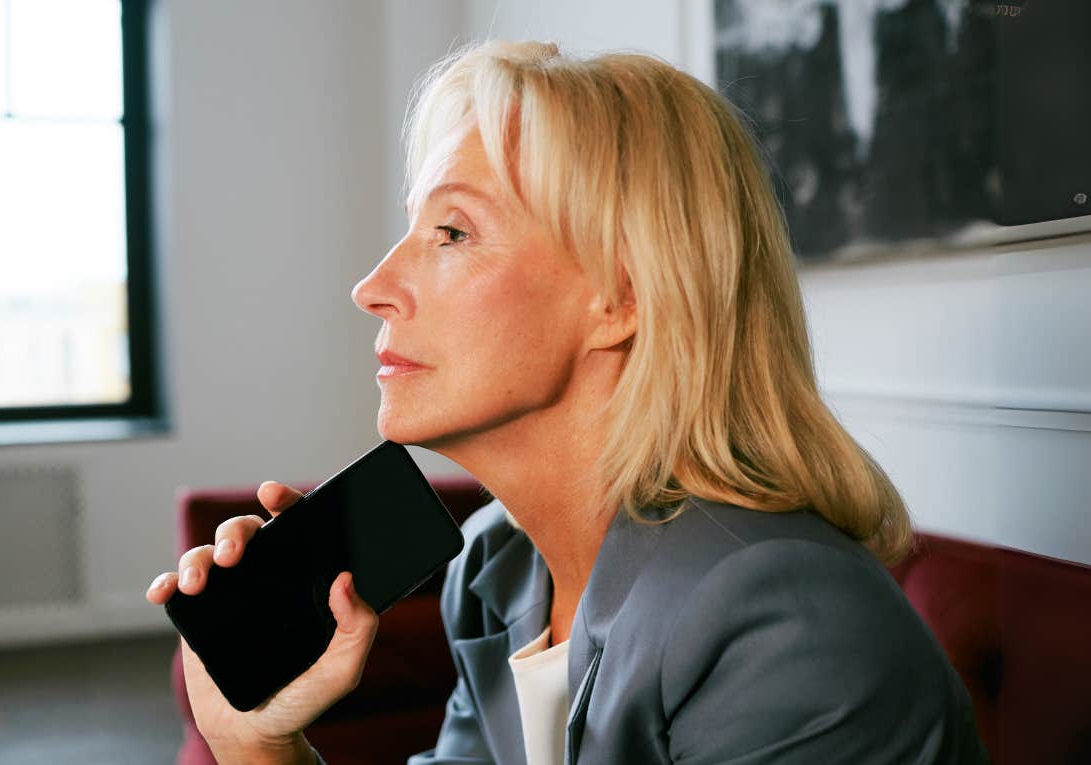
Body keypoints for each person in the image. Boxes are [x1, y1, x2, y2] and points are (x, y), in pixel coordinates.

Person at [146, 40, 989, 765]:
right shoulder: (496, 567)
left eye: (452, 233)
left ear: (622, 296)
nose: (373, 287)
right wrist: (257, 741)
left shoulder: (786, 625)